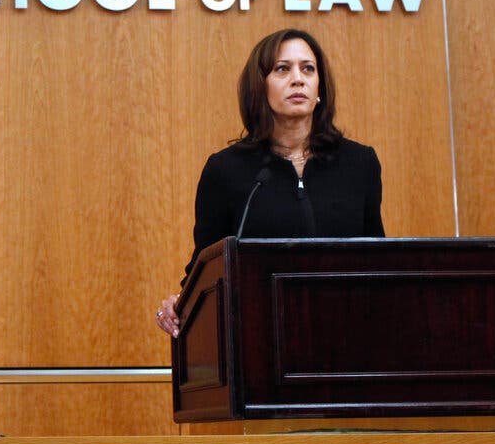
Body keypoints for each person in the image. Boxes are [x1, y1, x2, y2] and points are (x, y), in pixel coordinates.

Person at [155, 28, 382, 336]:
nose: (298, 79)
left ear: (320, 89)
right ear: (259, 87)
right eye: (282, 69)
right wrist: (178, 305)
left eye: (308, 69)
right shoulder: (226, 170)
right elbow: (206, 268)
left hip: (347, 336)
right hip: (261, 341)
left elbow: (379, 258)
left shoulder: (359, 163)